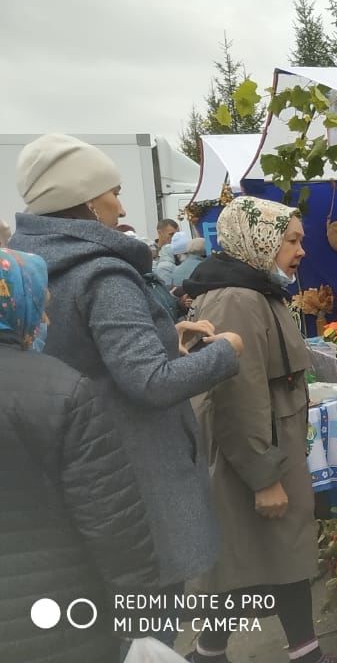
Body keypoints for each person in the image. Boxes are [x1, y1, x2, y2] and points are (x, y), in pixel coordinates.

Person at [8, 133, 244, 645]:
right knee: (151, 635)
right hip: (139, 485)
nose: (121, 203)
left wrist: (165, 337)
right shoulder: (104, 276)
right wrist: (226, 349)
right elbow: (149, 383)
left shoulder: (39, 266)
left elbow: (89, 360)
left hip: (85, 478)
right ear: (89, 203)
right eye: (113, 191)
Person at [184, 197, 337, 663]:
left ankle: (217, 653)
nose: (301, 251)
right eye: (291, 240)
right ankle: (216, 654)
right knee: (253, 560)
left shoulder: (254, 291)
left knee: (269, 558)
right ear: (259, 242)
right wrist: (264, 476)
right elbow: (235, 396)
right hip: (254, 458)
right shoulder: (238, 299)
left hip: (268, 452)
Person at [0, 248, 158, 663]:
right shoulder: (61, 390)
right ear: (16, 303)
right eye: (42, 306)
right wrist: (141, 621)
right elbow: (112, 522)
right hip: (56, 620)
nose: (46, 320)